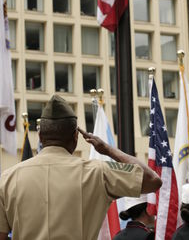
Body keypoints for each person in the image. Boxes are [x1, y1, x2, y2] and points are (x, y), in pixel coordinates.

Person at [0, 95, 162, 240]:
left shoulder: (7, 179)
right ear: (76, 137)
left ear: (40, 136)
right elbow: (153, 180)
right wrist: (108, 150)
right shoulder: (98, 172)